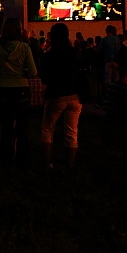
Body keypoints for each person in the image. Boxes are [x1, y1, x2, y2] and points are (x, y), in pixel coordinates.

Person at [0, 17, 37, 168]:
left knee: (6, 127)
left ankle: (5, 159)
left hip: (4, 89)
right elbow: (33, 72)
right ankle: (24, 161)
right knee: (23, 128)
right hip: (22, 89)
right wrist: (22, 72)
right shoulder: (24, 47)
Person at [38, 22, 82, 169]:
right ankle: (71, 164)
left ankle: (47, 162)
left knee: (47, 129)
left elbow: (43, 77)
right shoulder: (75, 53)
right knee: (71, 131)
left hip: (56, 95)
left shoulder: (49, 55)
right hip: (75, 95)